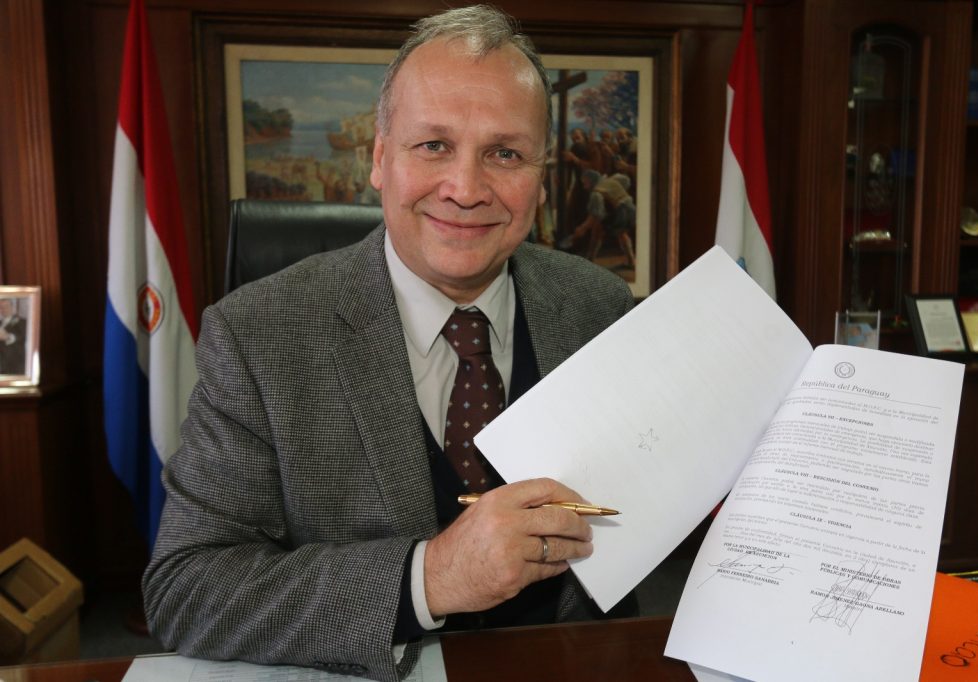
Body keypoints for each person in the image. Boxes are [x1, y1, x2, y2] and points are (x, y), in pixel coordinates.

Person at [142, 6, 635, 682]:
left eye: (505, 153)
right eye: (433, 145)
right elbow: (187, 589)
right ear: (379, 159)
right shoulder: (255, 335)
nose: (466, 190)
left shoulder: (601, 308)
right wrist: (429, 578)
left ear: (540, 176)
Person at [0, 298, 27, 375]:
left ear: (12, 307)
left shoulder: (22, 321)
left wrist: (8, 337)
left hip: (14, 365)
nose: (4, 309)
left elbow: (22, 337)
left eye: (6, 306)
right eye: (1, 307)